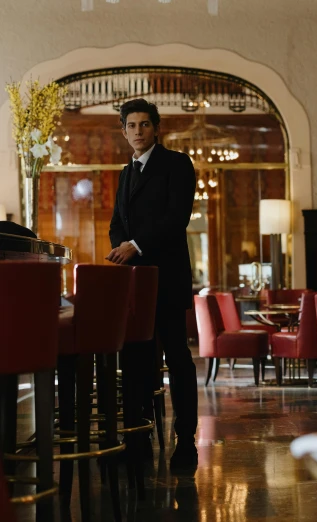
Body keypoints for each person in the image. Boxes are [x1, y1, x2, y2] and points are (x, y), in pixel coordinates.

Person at [107, 99, 199, 469]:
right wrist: (119, 245)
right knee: (138, 362)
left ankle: (187, 441)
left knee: (178, 359)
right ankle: (138, 439)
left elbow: (177, 218)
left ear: (157, 128)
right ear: (124, 131)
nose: (139, 131)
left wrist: (136, 246)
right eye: (132, 125)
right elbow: (117, 221)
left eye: (146, 124)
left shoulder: (177, 164)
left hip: (168, 278)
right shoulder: (125, 173)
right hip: (136, 285)